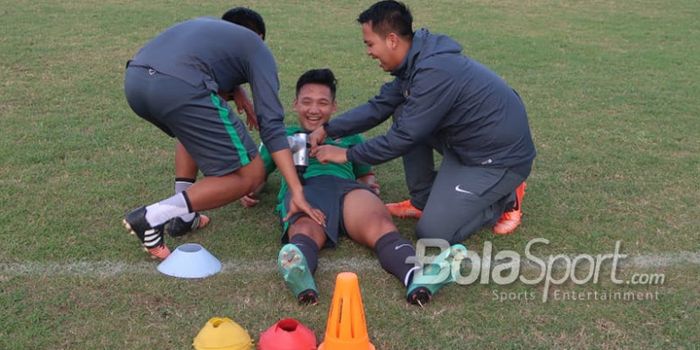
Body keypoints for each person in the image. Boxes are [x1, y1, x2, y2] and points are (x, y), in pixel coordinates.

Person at [310, 1, 536, 244]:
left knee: (433, 234)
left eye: (370, 43)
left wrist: (346, 154)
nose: (369, 51)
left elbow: (403, 138)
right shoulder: (416, 60)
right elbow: (380, 106)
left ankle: (505, 199)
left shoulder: (434, 71)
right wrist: (328, 129)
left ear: (392, 40)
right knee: (403, 111)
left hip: (498, 159)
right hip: (466, 147)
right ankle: (422, 201)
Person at [241, 68, 466, 306]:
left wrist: (369, 184)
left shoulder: (348, 136)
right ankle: (300, 274)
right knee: (305, 229)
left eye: (322, 103)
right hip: (306, 191)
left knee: (379, 225)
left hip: (347, 190)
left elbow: (364, 173)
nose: (314, 109)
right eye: (307, 102)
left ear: (334, 107)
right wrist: (250, 190)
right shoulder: (283, 138)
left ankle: (418, 276)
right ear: (295, 104)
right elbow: (256, 176)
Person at [122, 8, 324, 260]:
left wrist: (234, 88)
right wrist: (296, 189)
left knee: (191, 130)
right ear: (258, 36)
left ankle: (185, 218)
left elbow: (200, 64)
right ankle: (153, 216)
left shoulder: (205, 27)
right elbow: (272, 126)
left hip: (135, 82)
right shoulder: (258, 49)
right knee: (251, 174)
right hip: (178, 87)